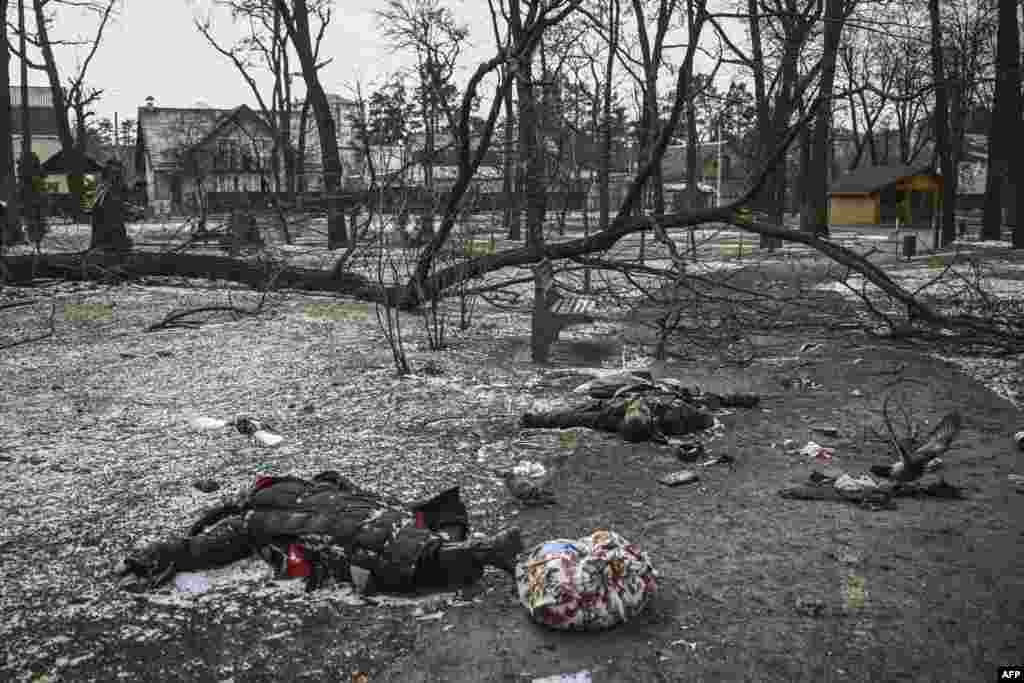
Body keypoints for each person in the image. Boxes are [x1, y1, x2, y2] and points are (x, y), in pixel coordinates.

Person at [118, 471, 523, 594]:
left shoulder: (248, 523)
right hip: (367, 518)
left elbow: (196, 549)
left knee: (392, 556)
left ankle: (481, 551)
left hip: (345, 539)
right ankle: (475, 549)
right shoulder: (305, 485)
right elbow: (345, 484)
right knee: (403, 535)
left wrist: (153, 554)